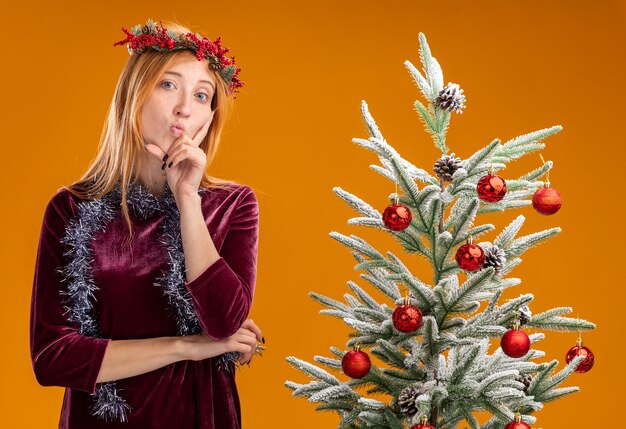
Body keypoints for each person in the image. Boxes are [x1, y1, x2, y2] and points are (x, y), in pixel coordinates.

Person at [29, 19, 263, 428]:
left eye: (202, 95)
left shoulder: (232, 205)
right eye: (168, 85)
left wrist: (187, 198)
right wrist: (186, 347)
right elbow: (53, 358)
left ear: (211, 116)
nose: (184, 108)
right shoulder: (70, 209)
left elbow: (224, 322)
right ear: (135, 94)